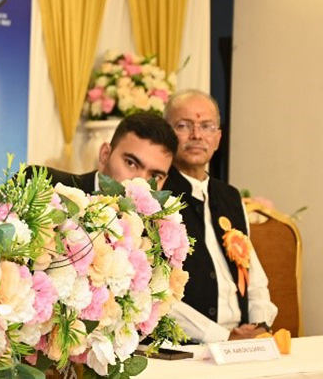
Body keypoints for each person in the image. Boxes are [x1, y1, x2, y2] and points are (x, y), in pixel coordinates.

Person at [161, 89, 277, 343]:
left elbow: (253, 275)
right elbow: (156, 293)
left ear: (218, 137)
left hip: (243, 341)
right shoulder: (156, 196)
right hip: (187, 346)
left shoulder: (230, 197)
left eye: (206, 126)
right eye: (184, 125)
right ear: (166, 133)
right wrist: (222, 337)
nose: (197, 135)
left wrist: (260, 324)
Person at [45, 112, 179, 192]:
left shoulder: (163, 228)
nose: (141, 184)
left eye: (155, 176)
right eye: (131, 163)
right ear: (105, 155)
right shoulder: (47, 187)